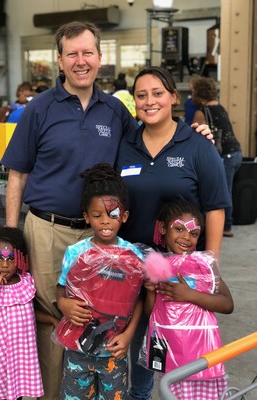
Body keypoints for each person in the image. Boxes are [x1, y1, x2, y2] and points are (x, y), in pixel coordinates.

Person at [1, 21, 212, 400]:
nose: (81, 61)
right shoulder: (39, 109)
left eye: (88, 53)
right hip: (48, 231)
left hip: (103, 233)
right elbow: (17, 174)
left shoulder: (115, 111)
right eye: (72, 54)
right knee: (59, 320)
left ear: (100, 58)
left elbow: (152, 134)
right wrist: (13, 237)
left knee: (107, 318)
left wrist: (193, 134)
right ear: (60, 61)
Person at [114, 66, 231, 400]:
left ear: (173, 97)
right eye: (141, 95)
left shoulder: (197, 146)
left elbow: (216, 206)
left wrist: (210, 264)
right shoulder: (126, 146)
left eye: (157, 93)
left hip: (182, 271)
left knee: (181, 348)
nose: (149, 101)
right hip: (136, 266)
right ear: (134, 102)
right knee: (140, 348)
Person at [56, 163, 144, 399]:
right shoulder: (75, 252)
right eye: (97, 215)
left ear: (124, 216)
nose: (105, 221)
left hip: (114, 352)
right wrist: (64, 305)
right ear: (86, 217)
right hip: (77, 349)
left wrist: (128, 335)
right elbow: (61, 288)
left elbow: (138, 300)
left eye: (113, 215)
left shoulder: (134, 257)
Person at [143, 198, 234, 399]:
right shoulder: (158, 266)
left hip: (204, 354)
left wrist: (189, 295)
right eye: (179, 229)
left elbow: (227, 304)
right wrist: (150, 290)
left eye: (194, 233)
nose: (186, 238)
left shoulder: (204, 264)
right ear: (163, 228)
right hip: (171, 353)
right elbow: (152, 314)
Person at [0, 227, 45, 400]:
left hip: (22, 355)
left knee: (17, 393)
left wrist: (51, 319)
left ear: (20, 258)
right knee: (3, 395)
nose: (4, 264)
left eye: (11, 259)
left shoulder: (26, 282)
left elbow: (28, 313)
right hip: (1, 356)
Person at [192, 76, 243, 238]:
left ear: (198, 93)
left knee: (222, 193)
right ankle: (227, 223)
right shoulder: (220, 108)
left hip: (225, 156)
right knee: (226, 190)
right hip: (236, 153)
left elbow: (193, 135)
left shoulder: (202, 112)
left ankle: (226, 226)